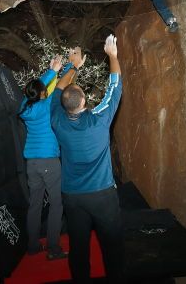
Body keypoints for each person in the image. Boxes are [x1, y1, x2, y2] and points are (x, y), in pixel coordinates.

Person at [50, 35, 125, 282]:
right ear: (84, 101)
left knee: (79, 248)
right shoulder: (99, 120)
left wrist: (73, 67)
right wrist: (112, 56)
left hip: (72, 197)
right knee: (112, 247)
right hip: (103, 195)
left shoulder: (57, 120)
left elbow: (58, 91)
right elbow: (115, 88)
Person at [18, 55, 68, 260]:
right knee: (57, 204)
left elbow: (35, 89)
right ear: (41, 93)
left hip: (31, 163)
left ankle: (32, 245)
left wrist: (51, 71)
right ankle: (53, 247)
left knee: (35, 204)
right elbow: (59, 89)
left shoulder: (24, 108)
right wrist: (68, 68)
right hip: (49, 161)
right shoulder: (46, 105)